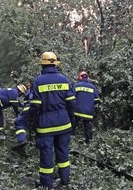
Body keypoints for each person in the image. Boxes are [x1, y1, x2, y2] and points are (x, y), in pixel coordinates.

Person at [30, 52, 75, 189]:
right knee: (63, 153)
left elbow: (35, 106)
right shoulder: (64, 79)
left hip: (45, 125)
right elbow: (72, 103)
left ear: (42, 65)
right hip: (64, 123)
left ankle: (47, 184)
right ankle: (65, 180)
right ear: (56, 64)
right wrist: (71, 120)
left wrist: (33, 122)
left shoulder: (38, 81)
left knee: (46, 154)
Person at [72, 71, 100, 143]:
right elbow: (97, 99)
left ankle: (71, 138)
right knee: (87, 126)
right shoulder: (92, 87)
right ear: (88, 78)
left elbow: (72, 97)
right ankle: (88, 141)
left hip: (77, 111)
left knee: (73, 124)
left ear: (80, 77)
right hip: (88, 111)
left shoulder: (77, 85)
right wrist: (90, 103)